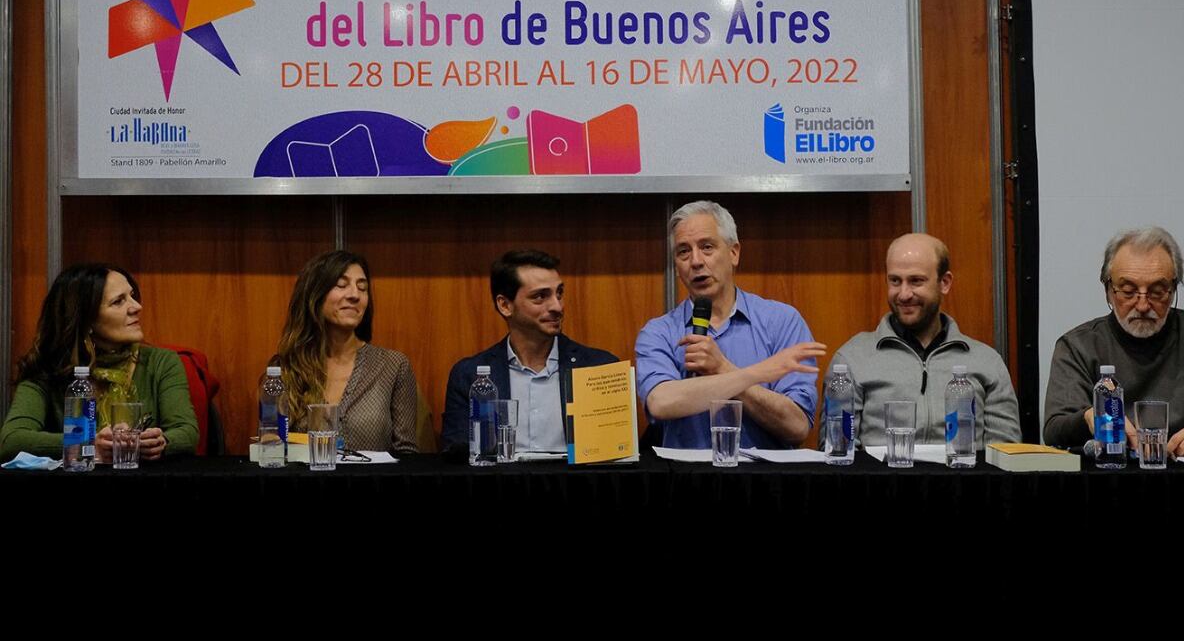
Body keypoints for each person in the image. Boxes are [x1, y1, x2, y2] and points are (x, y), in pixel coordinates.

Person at [1043, 226, 1184, 455]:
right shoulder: (1078, 346)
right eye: (1129, 291)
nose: (1142, 305)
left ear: (1173, 290)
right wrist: (1089, 418)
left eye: (1157, 291)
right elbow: (1054, 429)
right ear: (1109, 291)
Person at [635, 200, 822, 449]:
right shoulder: (658, 333)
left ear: (733, 253)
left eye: (707, 247)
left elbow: (797, 426)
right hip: (686, 482)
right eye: (683, 252)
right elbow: (660, 403)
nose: (696, 261)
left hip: (766, 482)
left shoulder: (782, 321)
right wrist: (756, 374)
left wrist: (722, 368)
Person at [823, 233, 1020, 448]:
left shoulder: (986, 361)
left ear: (944, 283)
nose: (904, 294)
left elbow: (1004, 457)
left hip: (964, 479)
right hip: (882, 480)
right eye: (895, 281)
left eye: (916, 281)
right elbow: (836, 452)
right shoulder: (852, 359)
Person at [0, 263, 197, 463]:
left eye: (132, 296)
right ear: (85, 320)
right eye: (119, 301)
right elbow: (12, 441)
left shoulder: (161, 362)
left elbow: (187, 432)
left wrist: (162, 442)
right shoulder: (49, 368)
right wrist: (88, 444)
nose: (137, 307)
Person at [443, 250, 618, 453]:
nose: (557, 306)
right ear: (505, 305)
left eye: (559, 293)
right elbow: (457, 457)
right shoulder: (469, 375)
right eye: (540, 296)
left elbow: (612, 459)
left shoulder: (600, 369)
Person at [275, 250, 417, 454]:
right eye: (341, 285)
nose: (354, 295)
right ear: (314, 295)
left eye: (363, 288)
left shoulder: (393, 365)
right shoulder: (286, 368)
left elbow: (407, 454)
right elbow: (272, 448)